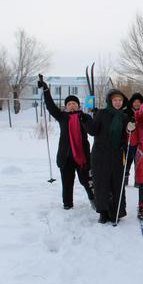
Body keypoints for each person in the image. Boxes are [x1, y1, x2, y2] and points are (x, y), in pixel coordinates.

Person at [37, 75, 95, 210]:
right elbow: (50, 106)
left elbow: (93, 129)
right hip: (65, 156)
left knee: (87, 181)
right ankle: (67, 204)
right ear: (66, 107)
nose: (72, 105)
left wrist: (87, 117)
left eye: (74, 103)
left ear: (78, 105)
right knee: (67, 183)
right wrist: (46, 90)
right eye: (69, 104)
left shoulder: (84, 117)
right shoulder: (62, 116)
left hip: (83, 157)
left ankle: (94, 201)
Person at [81, 89, 129, 224]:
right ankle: (103, 212)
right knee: (101, 184)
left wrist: (131, 130)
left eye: (120, 100)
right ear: (110, 101)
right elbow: (93, 130)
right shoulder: (102, 114)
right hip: (100, 154)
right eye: (115, 100)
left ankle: (116, 212)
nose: (118, 103)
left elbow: (126, 137)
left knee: (116, 184)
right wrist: (86, 120)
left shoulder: (124, 117)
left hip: (117, 155)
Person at [124, 92, 143, 186]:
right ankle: (125, 178)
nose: (136, 104)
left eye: (139, 102)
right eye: (135, 102)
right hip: (128, 141)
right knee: (127, 161)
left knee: (139, 161)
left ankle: (138, 180)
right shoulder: (126, 113)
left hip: (140, 141)